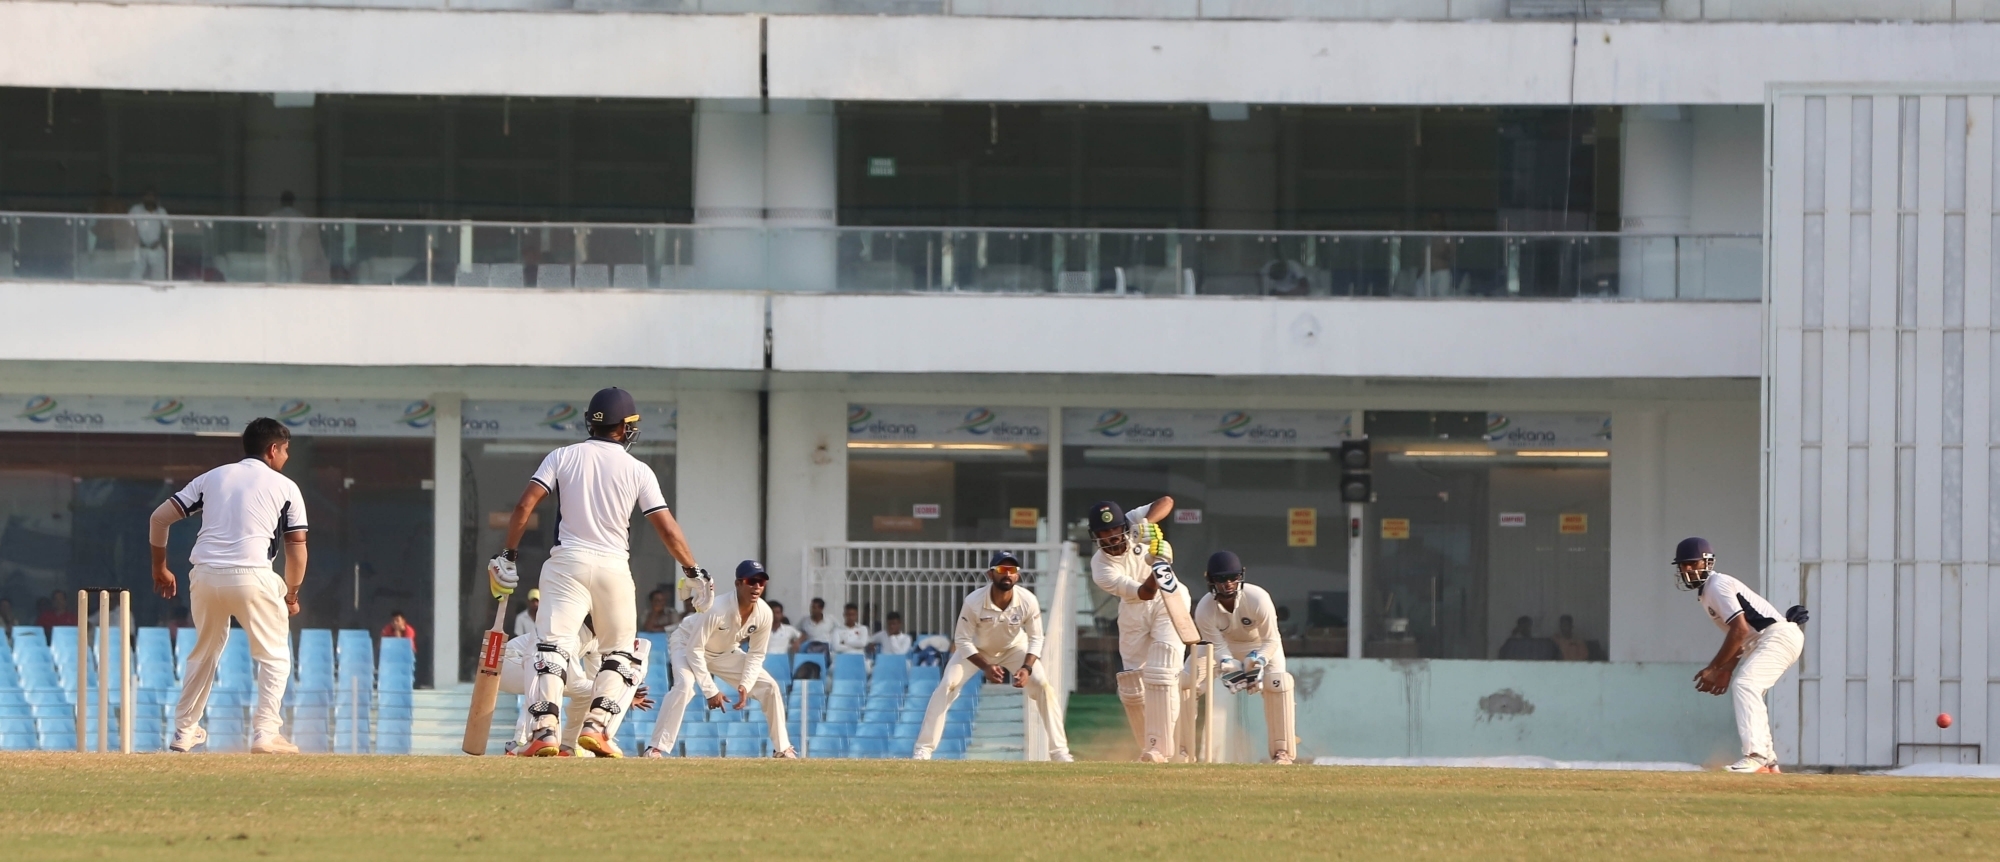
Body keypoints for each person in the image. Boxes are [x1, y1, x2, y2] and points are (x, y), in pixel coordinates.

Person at [489, 387, 705, 757]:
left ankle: (544, 730)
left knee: (551, 647)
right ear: (624, 428)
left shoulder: (562, 456)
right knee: (621, 652)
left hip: (566, 564)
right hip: (612, 566)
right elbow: (666, 527)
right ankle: (597, 725)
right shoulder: (638, 470)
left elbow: (525, 505)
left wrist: (508, 555)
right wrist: (693, 570)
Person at [147, 417, 308, 755]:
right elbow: (297, 548)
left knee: (203, 653)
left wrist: (159, 567)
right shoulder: (286, 487)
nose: (287, 457)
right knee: (274, 655)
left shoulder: (213, 476)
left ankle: (184, 731)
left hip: (205, 576)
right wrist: (292, 593)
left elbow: (159, 518)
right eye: (286, 450)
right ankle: (265, 733)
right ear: (273, 449)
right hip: (254, 576)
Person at [912, 551, 1071, 762]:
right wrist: (986, 666)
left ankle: (1060, 753)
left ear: (1018, 576)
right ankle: (923, 750)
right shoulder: (974, 601)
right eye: (1001, 569)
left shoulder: (1028, 600)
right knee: (947, 684)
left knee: (1042, 685)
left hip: (1014, 649)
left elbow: (1036, 639)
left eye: (1012, 570)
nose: (1007, 574)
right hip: (977, 651)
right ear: (990, 574)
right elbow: (961, 640)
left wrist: (1026, 668)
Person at [1678, 537, 1807, 774]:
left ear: (1707, 562)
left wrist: (1715, 668)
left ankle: (1755, 756)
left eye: (1691, 563)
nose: (1686, 570)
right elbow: (1739, 635)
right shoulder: (1707, 593)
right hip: (1766, 640)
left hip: (1777, 636)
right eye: (1682, 565)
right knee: (1749, 688)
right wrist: (1727, 669)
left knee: (1746, 685)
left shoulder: (1717, 585)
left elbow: (1740, 630)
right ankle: (1768, 763)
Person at [644, 560, 797, 759]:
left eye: (761, 582)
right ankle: (655, 748)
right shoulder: (717, 608)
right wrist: (711, 691)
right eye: (751, 581)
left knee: (769, 687)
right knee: (684, 685)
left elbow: (756, 653)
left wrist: (745, 684)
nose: (757, 586)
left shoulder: (765, 613)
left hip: (724, 652)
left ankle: (782, 749)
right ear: (738, 583)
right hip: (686, 643)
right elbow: (694, 650)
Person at [1086, 495, 1184, 763]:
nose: (1111, 539)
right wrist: (1158, 564)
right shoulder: (1100, 567)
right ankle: (1151, 748)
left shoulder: (1133, 521)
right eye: (1103, 534)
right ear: (1095, 536)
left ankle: (1163, 747)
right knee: (1132, 687)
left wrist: (1147, 523)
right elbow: (1143, 593)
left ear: (1124, 526)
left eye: (1115, 531)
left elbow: (1166, 501)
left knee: (1162, 671)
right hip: (1135, 606)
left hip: (1169, 599)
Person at [1190, 551, 1295, 765]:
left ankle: (1282, 753)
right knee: (1186, 679)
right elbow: (1216, 646)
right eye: (1221, 579)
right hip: (1224, 648)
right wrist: (1229, 665)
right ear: (1210, 580)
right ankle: (1182, 750)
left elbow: (1272, 640)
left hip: (1261, 646)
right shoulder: (1203, 609)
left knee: (1279, 684)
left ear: (1241, 576)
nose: (1228, 584)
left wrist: (1258, 661)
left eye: (1233, 577)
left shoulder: (1258, 598)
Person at [498, 618, 652, 757]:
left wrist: (620, 694)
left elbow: (597, 682)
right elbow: (576, 685)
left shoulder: (595, 640)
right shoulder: (570, 633)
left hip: (528, 665)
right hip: (507, 663)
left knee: (586, 693)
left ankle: (568, 744)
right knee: (549, 680)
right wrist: (619, 693)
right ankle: (519, 742)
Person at [128, 188, 169, 280]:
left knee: (159, 280)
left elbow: (168, 229)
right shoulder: (135, 210)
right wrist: (134, 240)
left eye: (152, 196)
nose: (150, 199)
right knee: (134, 278)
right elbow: (128, 227)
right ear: (143, 198)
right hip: (140, 248)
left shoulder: (161, 211)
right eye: (147, 196)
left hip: (156, 248)